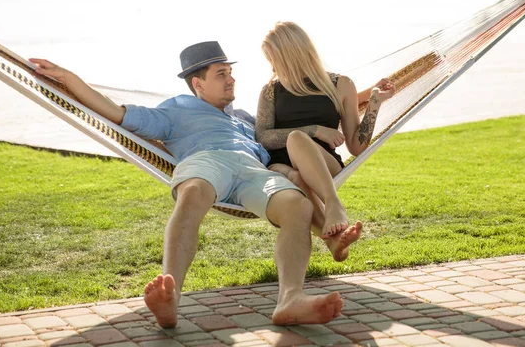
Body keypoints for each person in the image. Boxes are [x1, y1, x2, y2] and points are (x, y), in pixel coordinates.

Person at [29, 41, 355, 329]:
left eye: (231, 72)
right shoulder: (176, 110)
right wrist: (69, 79)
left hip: (255, 171)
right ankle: (170, 295)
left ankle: (291, 299)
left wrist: (362, 101)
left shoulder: (243, 118)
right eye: (221, 74)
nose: (231, 79)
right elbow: (114, 113)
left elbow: (284, 131)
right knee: (194, 192)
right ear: (197, 83)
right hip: (206, 161)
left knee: (298, 204)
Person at [256, 22, 395, 244]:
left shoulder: (340, 84)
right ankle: (335, 240)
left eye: (273, 59)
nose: (272, 67)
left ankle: (333, 204)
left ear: (291, 54)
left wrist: (375, 102)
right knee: (297, 150)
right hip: (281, 168)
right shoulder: (270, 91)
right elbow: (262, 137)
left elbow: (356, 146)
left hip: (324, 163)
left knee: (297, 139)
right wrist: (315, 130)